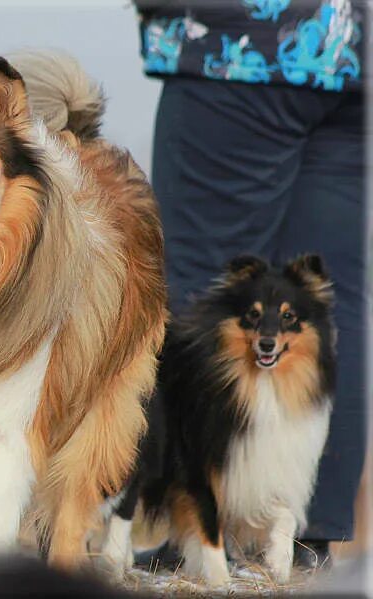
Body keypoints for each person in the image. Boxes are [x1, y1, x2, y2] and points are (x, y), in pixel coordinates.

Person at [135, 0, 366, 567]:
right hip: (353, 51)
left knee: (206, 295)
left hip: (239, 51)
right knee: (325, 304)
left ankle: (200, 533)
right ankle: (302, 537)